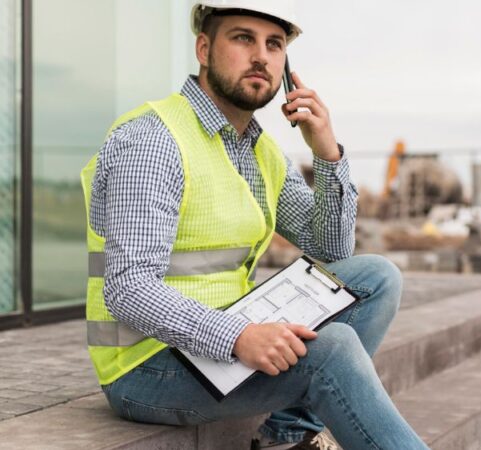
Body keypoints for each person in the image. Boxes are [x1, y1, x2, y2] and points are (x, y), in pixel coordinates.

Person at [80, 1, 429, 449]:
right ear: (204, 49)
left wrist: (327, 155)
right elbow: (128, 289)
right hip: (147, 365)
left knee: (377, 277)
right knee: (333, 349)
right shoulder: (153, 141)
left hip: (221, 344)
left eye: (274, 44)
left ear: (286, 67)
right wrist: (238, 336)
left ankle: (285, 438)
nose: (261, 56)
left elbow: (331, 250)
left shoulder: (260, 152)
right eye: (243, 38)